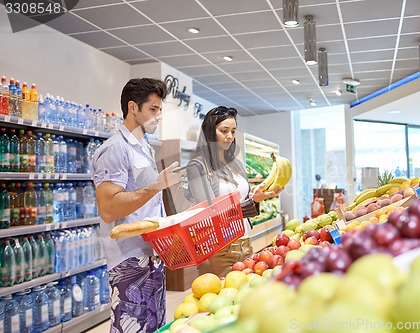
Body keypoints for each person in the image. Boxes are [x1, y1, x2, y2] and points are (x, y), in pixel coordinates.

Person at [92, 78, 182, 333]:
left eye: (160, 110)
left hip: (151, 253)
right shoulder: (115, 149)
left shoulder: (143, 147)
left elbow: (146, 203)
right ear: (133, 107)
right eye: (153, 109)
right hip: (129, 261)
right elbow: (109, 208)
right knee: (130, 326)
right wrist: (157, 185)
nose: (159, 116)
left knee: (154, 325)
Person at [186, 106, 282, 277]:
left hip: (245, 242)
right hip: (218, 249)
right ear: (209, 132)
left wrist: (258, 198)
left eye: (233, 131)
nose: (229, 136)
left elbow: (244, 204)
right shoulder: (197, 167)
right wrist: (249, 204)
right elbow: (208, 213)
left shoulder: (236, 164)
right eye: (223, 131)